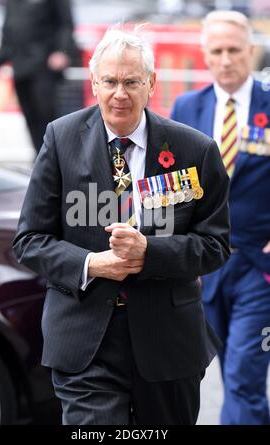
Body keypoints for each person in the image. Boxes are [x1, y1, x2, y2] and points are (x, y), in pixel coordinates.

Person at [13, 26, 230, 425]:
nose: (120, 93)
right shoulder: (61, 139)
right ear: (93, 83)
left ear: (151, 83)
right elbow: (30, 240)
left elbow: (215, 245)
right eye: (110, 81)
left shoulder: (194, 150)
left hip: (167, 343)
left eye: (131, 82)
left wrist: (150, 252)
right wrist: (93, 264)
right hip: (84, 341)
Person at [170, 10, 270, 425]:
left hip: (258, 267)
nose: (226, 59)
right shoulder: (186, 107)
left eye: (234, 50)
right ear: (205, 56)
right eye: (217, 51)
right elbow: (169, 183)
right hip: (205, 265)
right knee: (232, 373)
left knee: (244, 374)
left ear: (251, 50)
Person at [0, 0, 80, 154]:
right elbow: (8, 27)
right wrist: (1, 60)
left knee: (48, 117)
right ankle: (40, 158)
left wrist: (62, 51)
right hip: (20, 65)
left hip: (44, 66)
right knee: (30, 116)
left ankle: (55, 159)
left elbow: (65, 24)